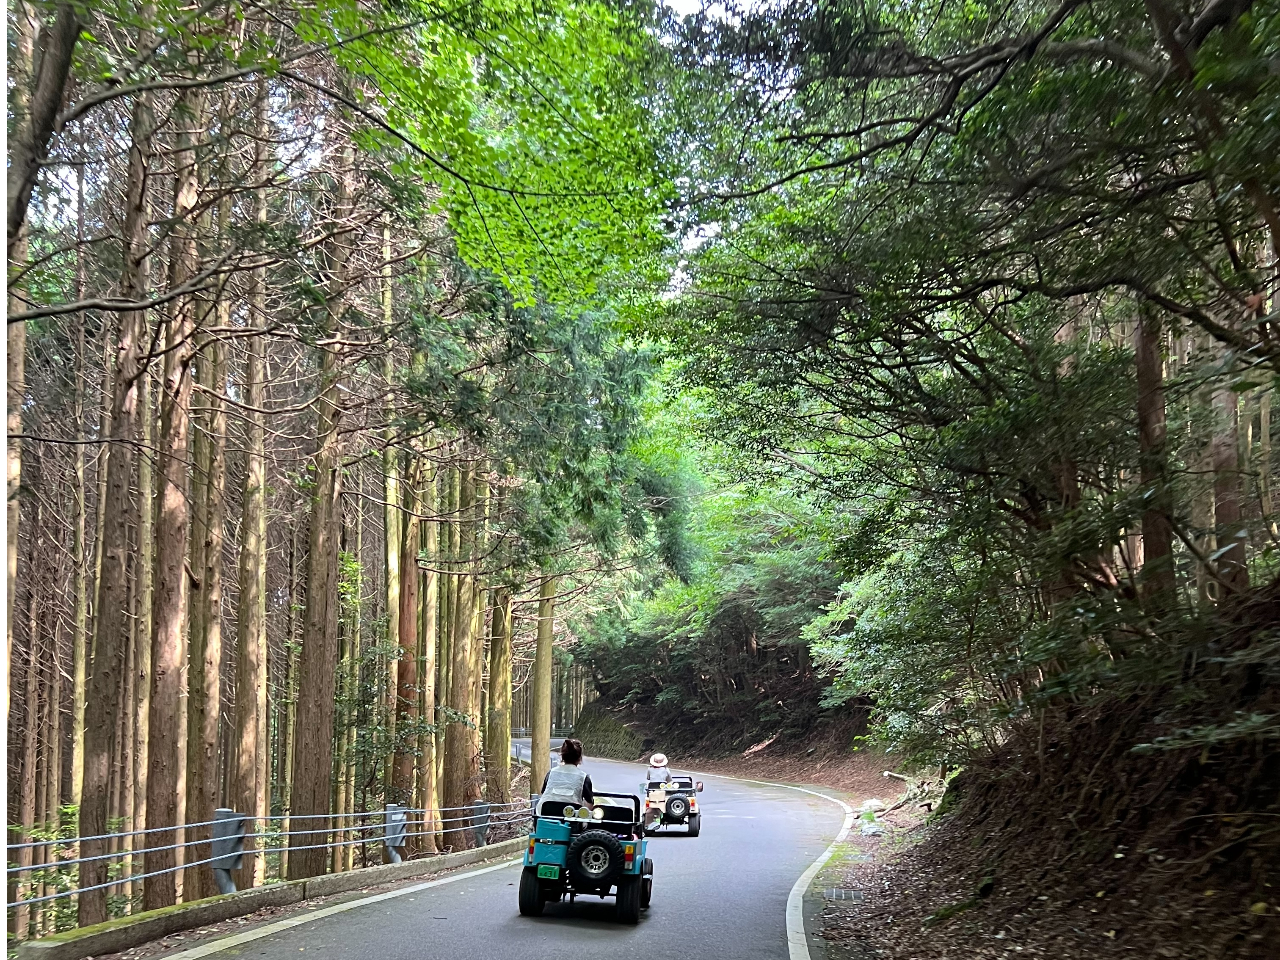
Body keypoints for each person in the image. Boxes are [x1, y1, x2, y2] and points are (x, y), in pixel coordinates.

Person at [540, 738, 594, 805]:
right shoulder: (583, 777)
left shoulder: (551, 773)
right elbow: (590, 803)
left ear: (562, 756)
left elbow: (543, 793)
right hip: (572, 814)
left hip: (544, 812)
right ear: (579, 757)